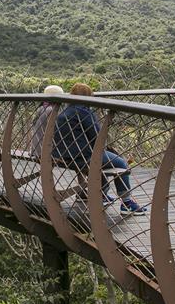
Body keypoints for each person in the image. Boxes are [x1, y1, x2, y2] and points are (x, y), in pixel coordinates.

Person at [52, 83, 146, 213]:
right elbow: (97, 138)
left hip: (63, 156)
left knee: (103, 162)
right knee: (121, 163)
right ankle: (127, 203)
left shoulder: (63, 113)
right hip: (83, 157)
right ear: (89, 97)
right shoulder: (84, 113)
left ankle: (103, 195)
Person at [30, 85, 64, 158]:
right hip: (45, 150)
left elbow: (33, 122)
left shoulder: (42, 108)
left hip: (35, 148)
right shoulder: (52, 110)